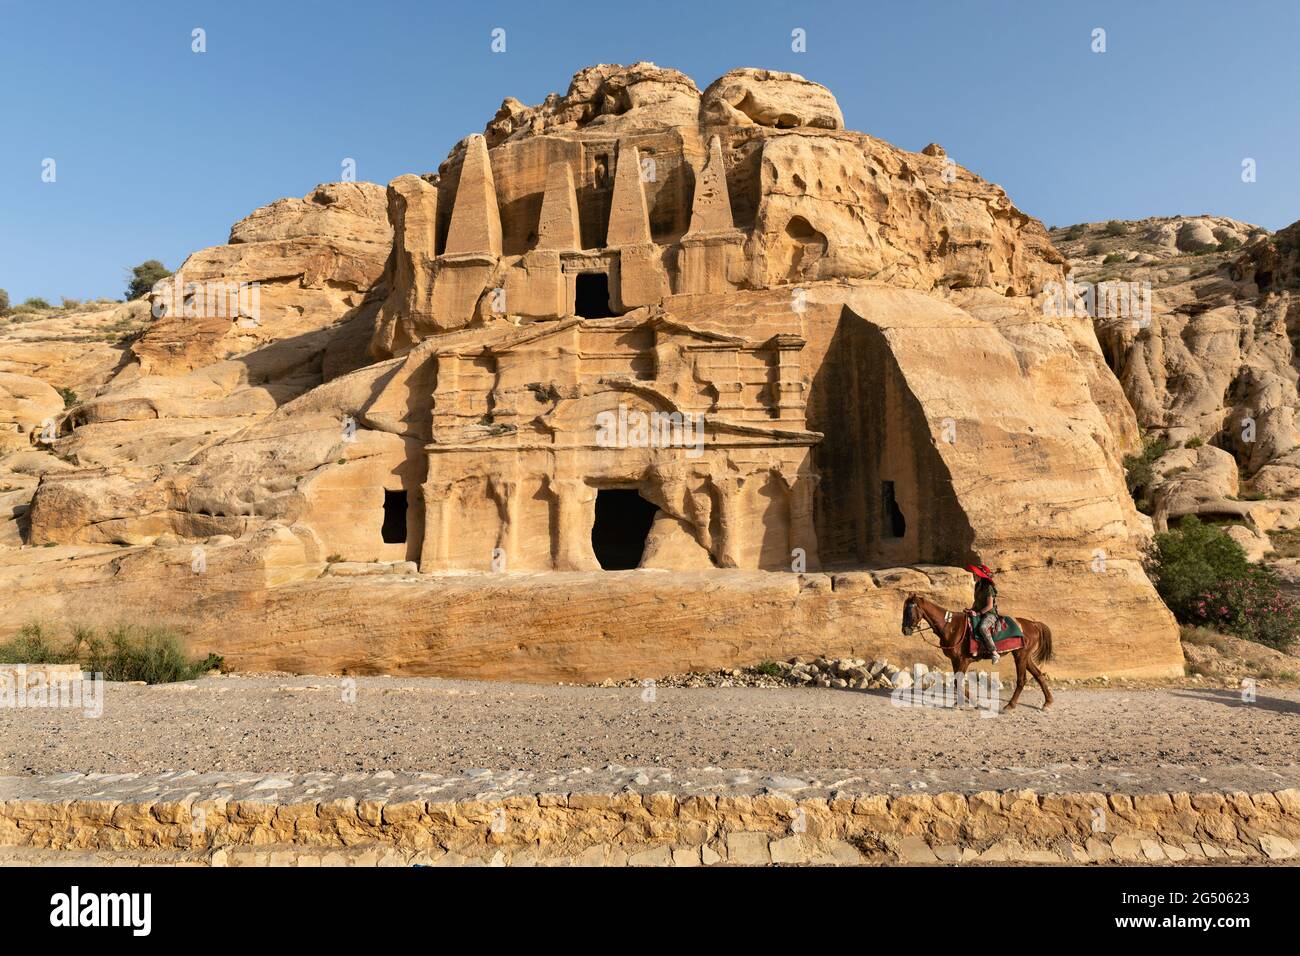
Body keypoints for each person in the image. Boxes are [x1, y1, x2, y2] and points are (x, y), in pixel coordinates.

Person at [968, 563, 1000, 663]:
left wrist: (978, 613)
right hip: (979, 612)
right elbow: (976, 602)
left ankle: (994, 652)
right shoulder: (978, 585)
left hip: (990, 614)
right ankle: (976, 648)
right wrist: (971, 610)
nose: (973, 574)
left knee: (982, 627)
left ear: (980, 575)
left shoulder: (989, 588)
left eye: (975, 573)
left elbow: (989, 606)